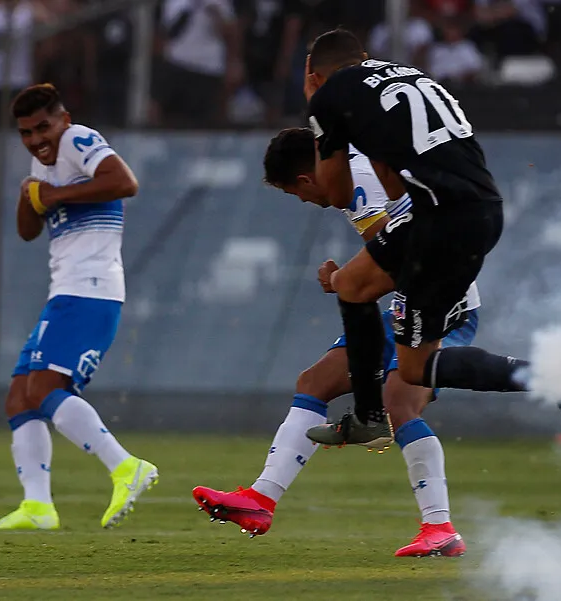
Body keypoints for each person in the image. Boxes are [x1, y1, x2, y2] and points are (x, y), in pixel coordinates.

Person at [191, 127, 479, 557]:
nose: (305, 202)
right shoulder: (360, 169)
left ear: (306, 180)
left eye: (296, 194)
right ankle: (261, 499)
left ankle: (440, 528)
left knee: (400, 404)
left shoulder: (357, 183)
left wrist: (344, 281)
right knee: (315, 382)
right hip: (412, 304)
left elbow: (404, 265)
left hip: (444, 306)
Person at [301, 29, 561, 445]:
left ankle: (553, 378)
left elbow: (335, 192)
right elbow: (399, 177)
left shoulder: (329, 97)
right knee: (350, 284)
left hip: (443, 219)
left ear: (314, 74)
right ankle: (367, 416)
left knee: (416, 367)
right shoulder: (410, 75)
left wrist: (320, 122)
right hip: (476, 208)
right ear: (364, 57)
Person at [0, 84, 159, 531]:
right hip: (67, 290)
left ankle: (125, 467)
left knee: (41, 389)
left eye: (43, 127)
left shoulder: (78, 139)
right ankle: (37, 507)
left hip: (90, 289)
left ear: (63, 118)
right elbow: (27, 231)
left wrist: (54, 195)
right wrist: (31, 193)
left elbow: (125, 182)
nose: (37, 139)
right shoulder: (42, 159)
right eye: (26, 132)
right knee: (20, 397)